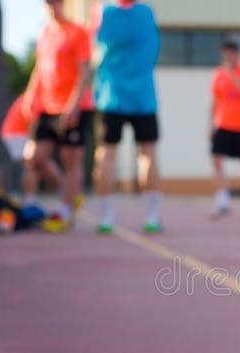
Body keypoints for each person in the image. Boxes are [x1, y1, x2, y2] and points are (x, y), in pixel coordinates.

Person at [91, 0, 163, 234]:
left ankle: (105, 217)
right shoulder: (147, 12)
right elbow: (153, 51)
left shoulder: (101, 11)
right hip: (141, 95)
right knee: (147, 153)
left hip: (112, 95)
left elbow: (93, 51)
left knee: (107, 154)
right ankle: (152, 216)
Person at [23, 0, 95, 233]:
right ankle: (69, 195)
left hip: (74, 106)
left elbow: (85, 70)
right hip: (47, 106)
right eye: (48, 3)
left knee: (70, 158)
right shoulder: (45, 33)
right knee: (36, 157)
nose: (52, 7)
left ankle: (65, 212)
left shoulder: (77, 32)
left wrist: (73, 104)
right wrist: (30, 96)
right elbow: (39, 69)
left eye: (56, 2)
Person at [209, 41, 240, 219]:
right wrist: (211, 125)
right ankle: (223, 199)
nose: (229, 58)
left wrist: (231, 73)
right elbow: (215, 101)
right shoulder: (218, 74)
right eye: (226, 54)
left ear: (238, 54)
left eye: (232, 54)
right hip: (223, 125)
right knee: (216, 160)